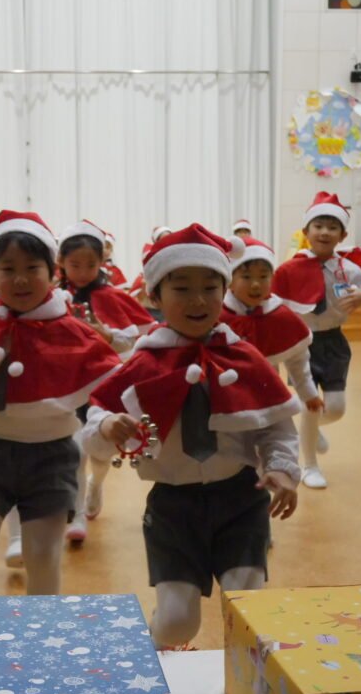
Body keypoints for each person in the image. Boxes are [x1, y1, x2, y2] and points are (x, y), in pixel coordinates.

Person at [81, 224, 301, 649]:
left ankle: (245, 692)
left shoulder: (244, 356)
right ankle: (156, 652)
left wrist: (282, 469)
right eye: (181, 288)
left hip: (241, 498)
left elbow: (276, 425)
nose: (198, 300)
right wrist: (107, 427)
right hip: (173, 507)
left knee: (247, 604)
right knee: (179, 622)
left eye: (210, 287)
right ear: (156, 296)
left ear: (225, 291)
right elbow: (94, 430)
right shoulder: (142, 363)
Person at [0, 210, 122, 597]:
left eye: (32, 267)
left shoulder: (70, 329)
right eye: (7, 268)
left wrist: (112, 422)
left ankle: (40, 634)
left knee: (42, 553)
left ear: (52, 271)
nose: (20, 278)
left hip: (51, 456)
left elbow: (108, 384)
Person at [271, 193, 361, 489]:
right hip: (302, 345)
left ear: (343, 235)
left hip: (334, 343)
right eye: (318, 225)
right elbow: (272, 305)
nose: (324, 232)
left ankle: (308, 432)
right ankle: (309, 465)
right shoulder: (287, 270)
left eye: (332, 227)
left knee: (335, 408)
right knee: (310, 406)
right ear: (306, 232)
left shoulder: (348, 269)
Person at [56, 220, 154, 544]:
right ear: (61, 263)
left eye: (90, 264)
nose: (82, 271)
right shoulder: (52, 296)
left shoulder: (113, 296)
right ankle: (77, 513)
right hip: (63, 382)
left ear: (102, 262)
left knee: (98, 453)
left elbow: (136, 337)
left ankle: (96, 485)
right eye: (74, 264)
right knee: (73, 450)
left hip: (100, 382)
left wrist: (109, 335)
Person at [220, 237, 321, 413]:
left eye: (263, 276)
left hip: (270, 395)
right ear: (230, 282)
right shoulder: (217, 316)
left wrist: (308, 394)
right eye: (246, 276)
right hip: (228, 400)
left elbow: (298, 361)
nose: (256, 284)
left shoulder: (281, 317)